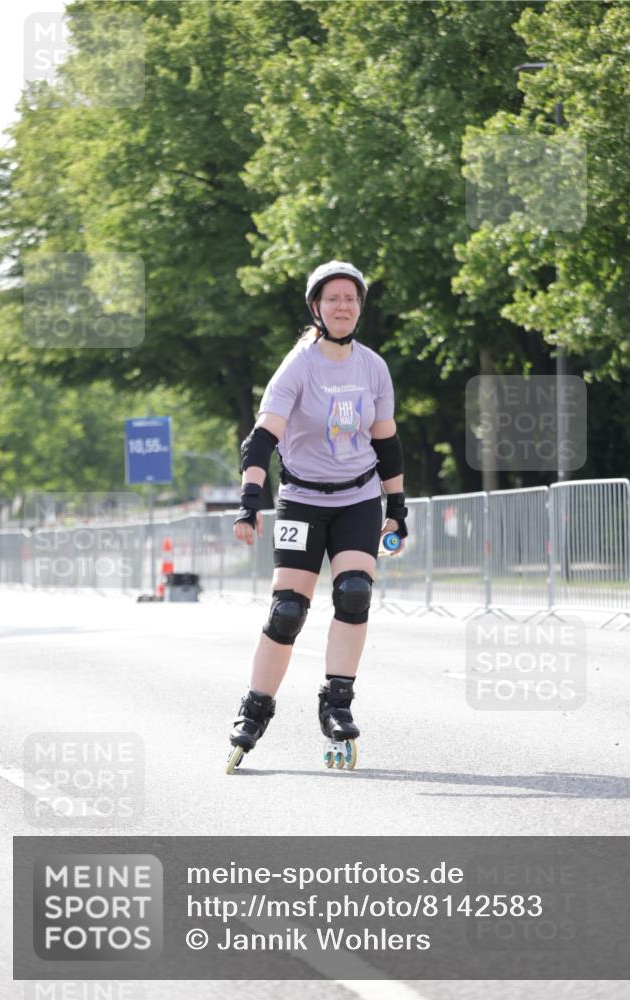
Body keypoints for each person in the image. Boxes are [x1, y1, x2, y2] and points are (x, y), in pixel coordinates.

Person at [226, 260, 408, 773]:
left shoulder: (372, 367)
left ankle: (337, 703)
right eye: (333, 299)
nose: (343, 306)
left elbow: (387, 443)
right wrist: (249, 500)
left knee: (354, 593)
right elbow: (261, 440)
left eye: (351, 298)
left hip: (357, 497)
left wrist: (397, 507)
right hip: (303, 500)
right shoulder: (298, 366)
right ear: (316, 307)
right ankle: (254, 709)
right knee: (288, 611)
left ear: (360, 307)